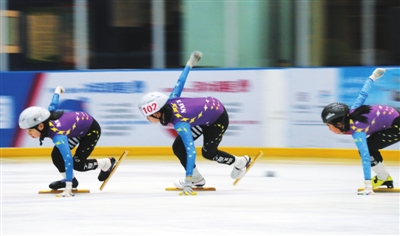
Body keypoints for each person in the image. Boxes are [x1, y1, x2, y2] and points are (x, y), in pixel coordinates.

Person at [138, 51, 251, 196]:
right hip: (203, 116)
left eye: (148, 116)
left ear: (157, 113)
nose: (147, 119)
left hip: (217, 119)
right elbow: (180, 82)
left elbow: (191, 151)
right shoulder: (171, 100)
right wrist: (189, 64)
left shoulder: (180, 123)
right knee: (178, 146)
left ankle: (241, 162)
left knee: (208, 153)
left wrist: (187, 179)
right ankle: (198, 180)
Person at [18, 86, 116, 197]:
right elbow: (53, 103)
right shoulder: (47, 116)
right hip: (76, 130)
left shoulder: (58, 135)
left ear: (40, 126)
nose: (29, 133)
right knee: (56, 155)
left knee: (78, 164)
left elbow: (68, 158)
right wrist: (57, 91)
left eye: (30, 130)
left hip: (91, 131)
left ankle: (107, 163)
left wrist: (68, 188)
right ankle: (71, 180)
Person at [321, 68, 399, 195]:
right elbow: (363, 94)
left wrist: (368, 186)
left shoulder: (358, 129)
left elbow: (365, 157)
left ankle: (383, 178)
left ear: (339, 123)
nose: (329, 128)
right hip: (392, 120)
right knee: (370, 147)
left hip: (396, 126)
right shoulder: (352, 111)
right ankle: (384, 178)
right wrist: (372, 77)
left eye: (329, 125)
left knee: (367, 148)